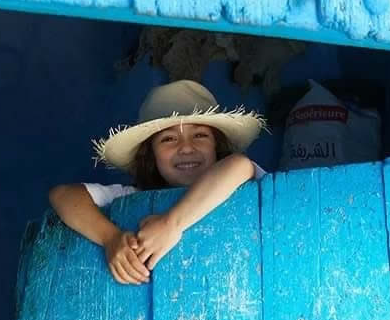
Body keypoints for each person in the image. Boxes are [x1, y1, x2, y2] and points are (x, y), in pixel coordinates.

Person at [49, 80, 267, 285]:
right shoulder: (133, 197)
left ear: (216, 147)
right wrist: (111, 238)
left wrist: (171, 224)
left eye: (200, 135)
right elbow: (63, 195)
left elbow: (239, 165)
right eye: (169, 139)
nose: (186, 148)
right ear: (150, 155)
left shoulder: (238, 183)